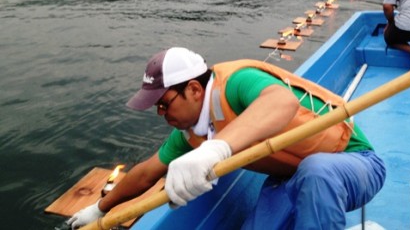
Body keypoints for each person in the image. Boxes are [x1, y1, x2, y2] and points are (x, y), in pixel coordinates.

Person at [68, 47, 386, 229]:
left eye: (164, 104)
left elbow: (281, 103)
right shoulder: (191, 134)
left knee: (316, 170)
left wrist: (217, 149)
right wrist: (100, 207)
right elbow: (146, 173)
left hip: (354, 164)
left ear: (193, 89)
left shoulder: (237, 81)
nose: (161, 114)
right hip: (289, 178)